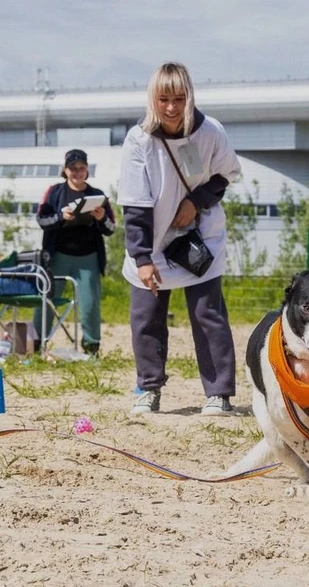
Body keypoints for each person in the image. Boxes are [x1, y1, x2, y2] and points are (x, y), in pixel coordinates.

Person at [118, 62, 242, 416]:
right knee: (146, 318)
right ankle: (148, 388)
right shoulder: (139, 140)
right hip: (151, 243)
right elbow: (135, 203)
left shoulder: (210, 131)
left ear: (189, 97)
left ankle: (218, 393)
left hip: (200, 238)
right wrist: (141, 258)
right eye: (163, 99)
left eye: (178, 98)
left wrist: (195, 202)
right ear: (152, 100)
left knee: (208, 314)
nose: (171, 108)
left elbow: (224, 175)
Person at [34, 148, 116, 356]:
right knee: (47, 298)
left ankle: (91, 346)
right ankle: (35, 343)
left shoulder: (98, 196)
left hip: (88, 256)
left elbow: (111, 228)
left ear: (87, 170)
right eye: (73, 168)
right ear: (65, 170)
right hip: (58, 255)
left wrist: (100, 218)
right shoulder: (54, 192)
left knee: (89, 304)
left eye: (81, 168)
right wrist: (62, 218)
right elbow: (42, 220)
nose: (77, 172)